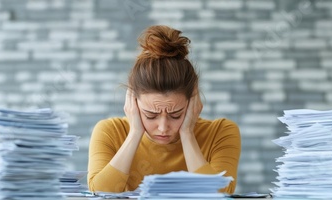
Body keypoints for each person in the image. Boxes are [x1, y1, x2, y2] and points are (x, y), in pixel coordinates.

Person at [87, 25, 241, 194]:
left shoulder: (221, 132)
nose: (163, 127)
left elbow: (220, 194)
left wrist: (187, 134)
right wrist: (135, 133)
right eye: (150, 115)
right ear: (133, 103)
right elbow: (100, 193)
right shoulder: (110, 131)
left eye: (176, 115)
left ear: (192, 103)